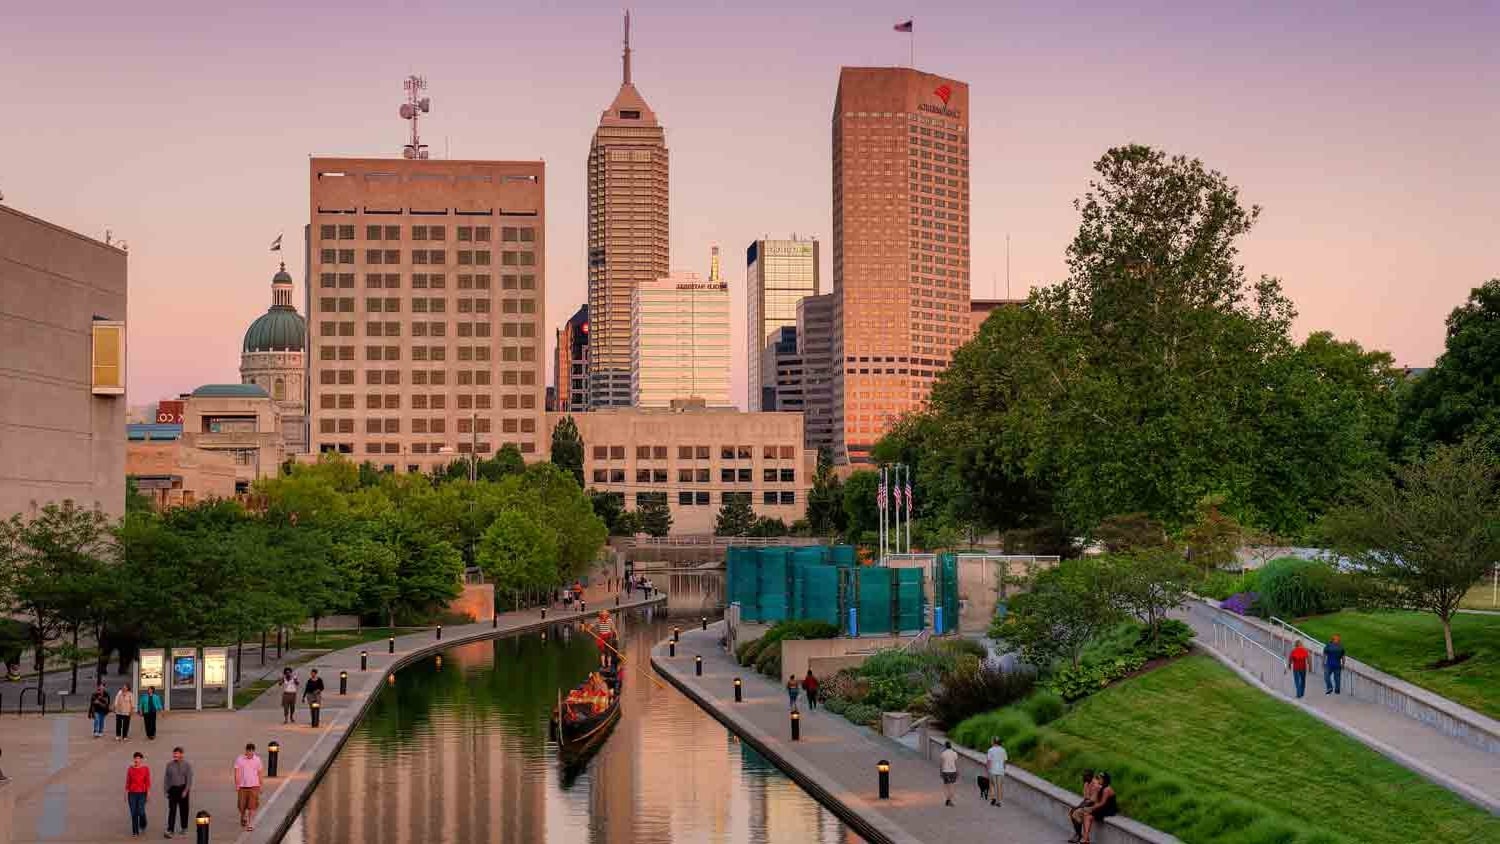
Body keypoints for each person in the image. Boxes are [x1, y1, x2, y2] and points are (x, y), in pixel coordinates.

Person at [163, 746, 193, 839]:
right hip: (172, 790)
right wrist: (166, 790)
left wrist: (186, 790)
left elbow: (189, 779)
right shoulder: (169, 765)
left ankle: (184, 827)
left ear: (181, 754)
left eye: (177, 753)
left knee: (184, 809)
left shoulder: (187, 765)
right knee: (172, 810)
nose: (175, 755)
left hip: (183, 789)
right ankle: (170, 829)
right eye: (174, 753)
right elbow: (166, 778)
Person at [1079, 771, 1118, 844]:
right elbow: (1096, 801)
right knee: (1085, 814)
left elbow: (1102, 803)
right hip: (1102, 807)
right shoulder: (1100, 787)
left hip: (1108, 809)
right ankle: (1086, 838)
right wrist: (1096, 791)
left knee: (1087, 815)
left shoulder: (1107, 789)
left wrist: (1091, 808)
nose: (1098, 780)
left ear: (1104, 780)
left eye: (1100, 778)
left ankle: (1085, 838)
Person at [233, 743, 263, 832]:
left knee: (252, 806)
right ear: (246, 751)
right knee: (241, 806)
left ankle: (250, 823)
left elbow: (260, 773)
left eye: (251, 752)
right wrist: (237, 784)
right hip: (242, 786)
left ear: (254, 751)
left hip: (254, 786)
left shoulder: (257, 760)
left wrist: (261, 785)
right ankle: (243, 816)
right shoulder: (239, 759)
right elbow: (236, 772)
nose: (250, 753)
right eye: (248, 751)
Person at [1068, 769, 1099, 842]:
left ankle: (1079, 835)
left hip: (1096, 805)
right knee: (1071, 811)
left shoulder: (1096, 785)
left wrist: (1078, 808)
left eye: (1084, 776)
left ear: (1089, 777)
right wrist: (1077, 807)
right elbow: (1086, 799)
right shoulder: (1086, 784)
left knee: (1076, 813)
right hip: (1089, 804)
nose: (1083, 778)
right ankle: (1077, 833)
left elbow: (1092, 801)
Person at [125, 751, 151, 837]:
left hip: (142, 793)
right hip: (132, 794)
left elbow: (147, 781)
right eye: (135, 758)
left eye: (138, 758)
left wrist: (148, 793)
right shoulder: (130, 769)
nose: (137, 760)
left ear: (141, 760)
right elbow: (128, 781)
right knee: (133, 813)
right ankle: (135, 831)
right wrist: (126, 792)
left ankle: (143, 823)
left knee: (141, 811)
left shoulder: (145, 769)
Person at [985, 736, 1008, 807]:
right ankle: (999, 801)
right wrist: (1004, 769)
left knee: (992, 785)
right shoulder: (1003, 750)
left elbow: (989, 761)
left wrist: (988, 770)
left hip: (992, 770)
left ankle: (993, 798)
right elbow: (1004, 761)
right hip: (1001, 770)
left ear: (994, 742)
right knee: (999, 786)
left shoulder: (990, 750)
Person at [940, 740, 959, 806]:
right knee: (952, 786)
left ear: (945, 746)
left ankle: (948, 799)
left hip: (945, 771)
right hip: (953, 771)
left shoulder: (943, 753)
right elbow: (956, 763)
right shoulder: (954, 753)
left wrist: (941, 772)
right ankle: (949, 800)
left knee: (946, 786)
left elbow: (942, 764)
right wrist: (957, 771)